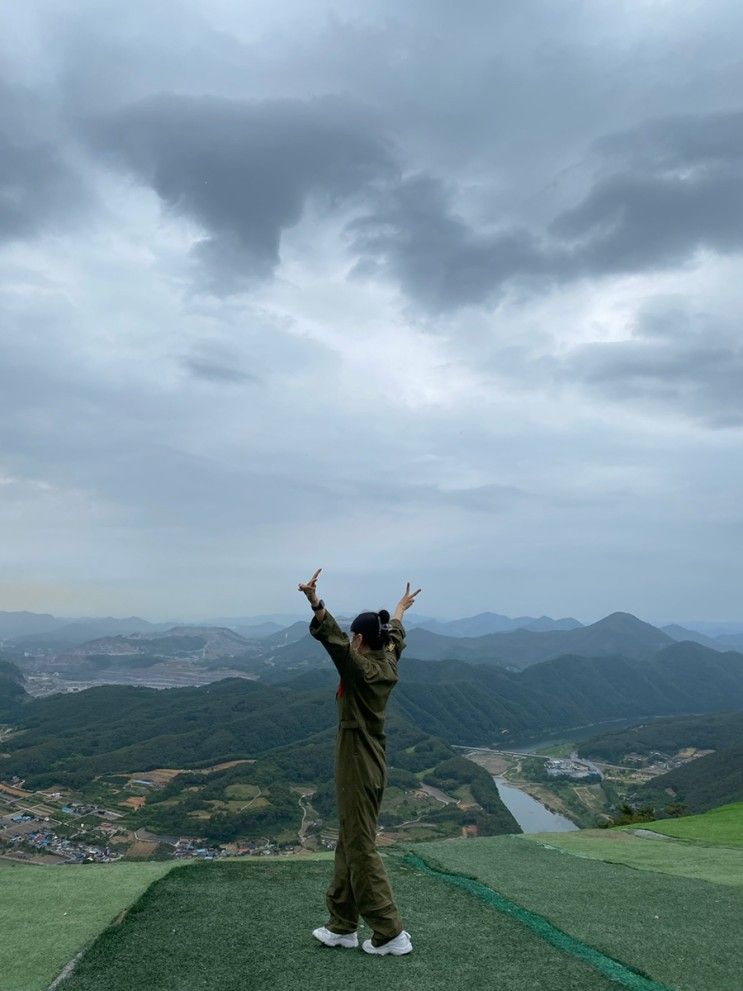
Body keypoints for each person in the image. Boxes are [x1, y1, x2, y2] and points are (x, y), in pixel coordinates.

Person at [297, 568, 421, 956]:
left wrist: (315, 602)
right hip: (374, 758)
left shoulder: (361, 667)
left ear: (361, 640)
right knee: (350, 841)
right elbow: (395, 637)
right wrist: (399, 609)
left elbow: (334, 643)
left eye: (354, 636)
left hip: (354, 758)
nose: (350, 640)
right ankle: (343, 925)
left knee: (361, 847)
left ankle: (389, 932)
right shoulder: (387, 661)